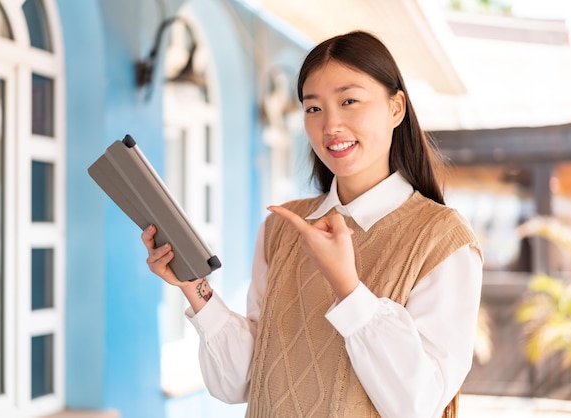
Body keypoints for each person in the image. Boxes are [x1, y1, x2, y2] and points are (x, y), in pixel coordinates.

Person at [142, 30, 483, 418]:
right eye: (313, 108)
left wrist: (348, 288)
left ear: (396, 108)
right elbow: (243, 381)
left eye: (349, 101)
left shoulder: (442, 239)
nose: (330, 125)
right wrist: (193, 285)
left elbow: (417, 405)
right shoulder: (283, 227)